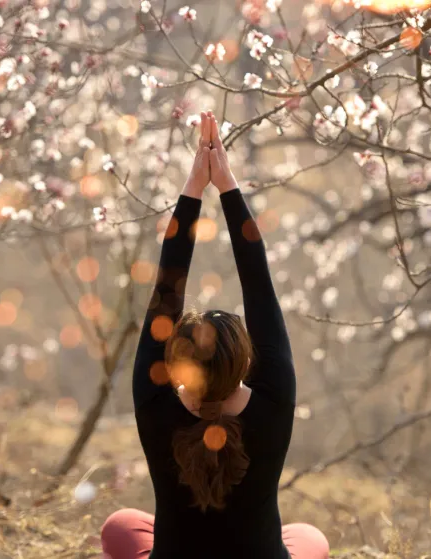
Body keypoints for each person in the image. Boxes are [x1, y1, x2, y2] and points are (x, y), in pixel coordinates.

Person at [101, 111, 330, 559]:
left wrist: (193, 189)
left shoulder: (154, 404)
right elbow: (259, 285)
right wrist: (227, 187)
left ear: (176, 364)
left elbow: (168, 283)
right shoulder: (274, 402)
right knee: (309, 538)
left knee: (120, 526)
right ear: (246, 362)